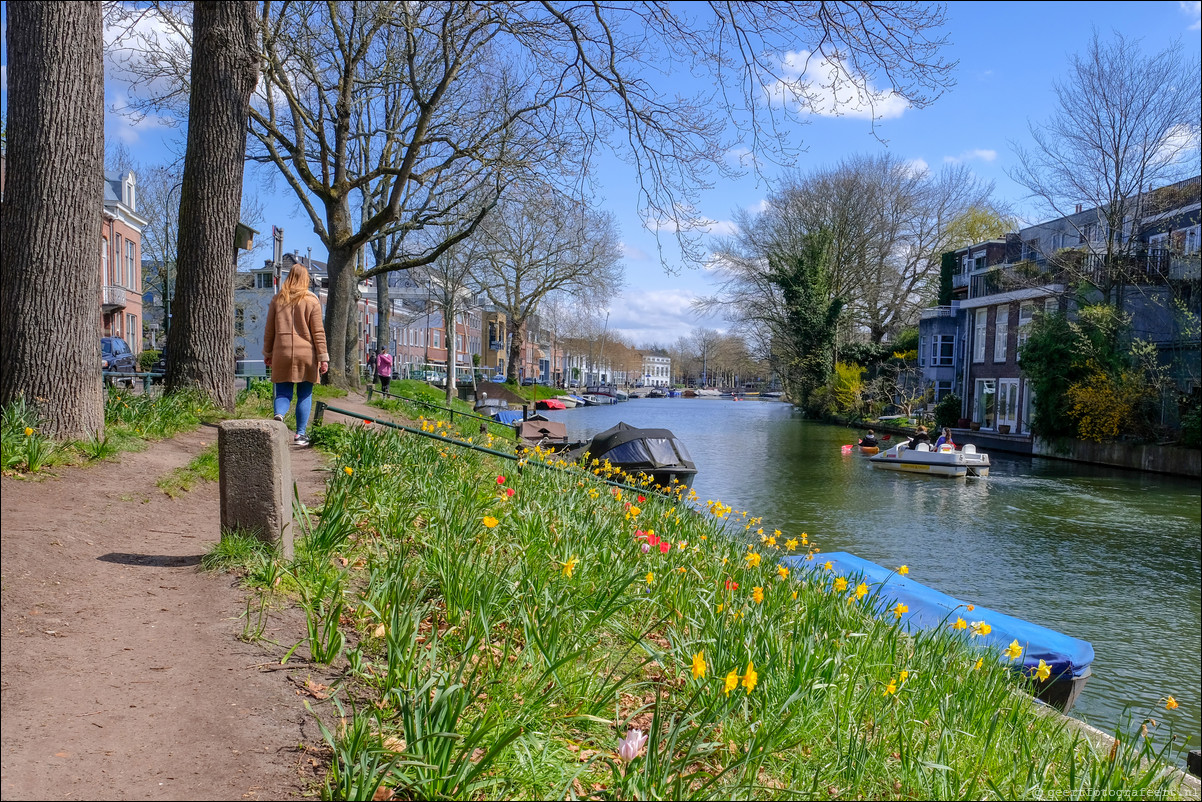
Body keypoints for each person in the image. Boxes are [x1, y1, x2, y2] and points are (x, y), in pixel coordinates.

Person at [263, 265, 328, 447]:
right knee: (304, 394)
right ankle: (300, 434)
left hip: (281, 351)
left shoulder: (277, 300)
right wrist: (323, 357)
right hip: (306, 353)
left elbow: (270, 330)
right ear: (305, 279)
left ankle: (280, 416)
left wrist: (268, 353)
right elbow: (318, 332)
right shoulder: (311, 300)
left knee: (283, 391)